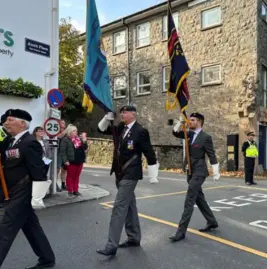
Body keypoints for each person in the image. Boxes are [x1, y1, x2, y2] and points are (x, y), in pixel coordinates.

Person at [0, 109, 55, 269]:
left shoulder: (30, 143)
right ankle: (47, 258)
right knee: (31, 227)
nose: (6, 123)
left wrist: (37, 196)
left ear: (22, 123)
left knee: (5, 232)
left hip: (24, 191)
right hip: (12, 191)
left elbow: (39, 170)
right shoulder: (9, 141)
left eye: (10, 120)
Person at [96, 105, 159, 256]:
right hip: (119, 173)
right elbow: (101, 129)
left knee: (119, 207)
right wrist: (106, 118)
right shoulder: (120, 128)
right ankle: (134, 237)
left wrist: (153, 175)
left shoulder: (140, 131)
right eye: (121, 112)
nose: (122, 115)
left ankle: (111, 245)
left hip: (131, 174)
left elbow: (149, 152)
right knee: (130, 206)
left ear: (133, 114)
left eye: (125, 112)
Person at [169, 112, 221, 242]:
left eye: (191, 120)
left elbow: (211, 154)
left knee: (189, 200)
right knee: (199, 198)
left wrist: (216, 170)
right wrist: (180, 122)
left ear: (198, 122)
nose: (189, 122)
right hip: (190, 171)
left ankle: (180, 232)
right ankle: (212, 221)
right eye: (189, 120)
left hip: (199, 171)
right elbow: (175, 133)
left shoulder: (206, 137)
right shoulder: (189, 134)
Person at [59, 125, 88, 198]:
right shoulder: (66, 140)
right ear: (69, 132)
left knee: (77, 176)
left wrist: (84, 140)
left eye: (76, 131)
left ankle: (76, 190)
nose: (76, 132)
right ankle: (70, 191)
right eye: (74, 131)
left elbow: (85, 148)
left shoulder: (79, 139)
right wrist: (65, 160)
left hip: (80, 160)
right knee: (70, 176)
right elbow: (62, 151)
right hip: (71, 161)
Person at [57, 119, 67, 191]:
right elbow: (59, 136)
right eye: (61, 123)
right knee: (57, 168)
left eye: (64, 123)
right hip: (58, 152)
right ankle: (55, 184)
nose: (63, 125)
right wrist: (65, 131)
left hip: (65, 153)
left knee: (64, 169)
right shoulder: (56, 132)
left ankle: (63, 184)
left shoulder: (66, 133)